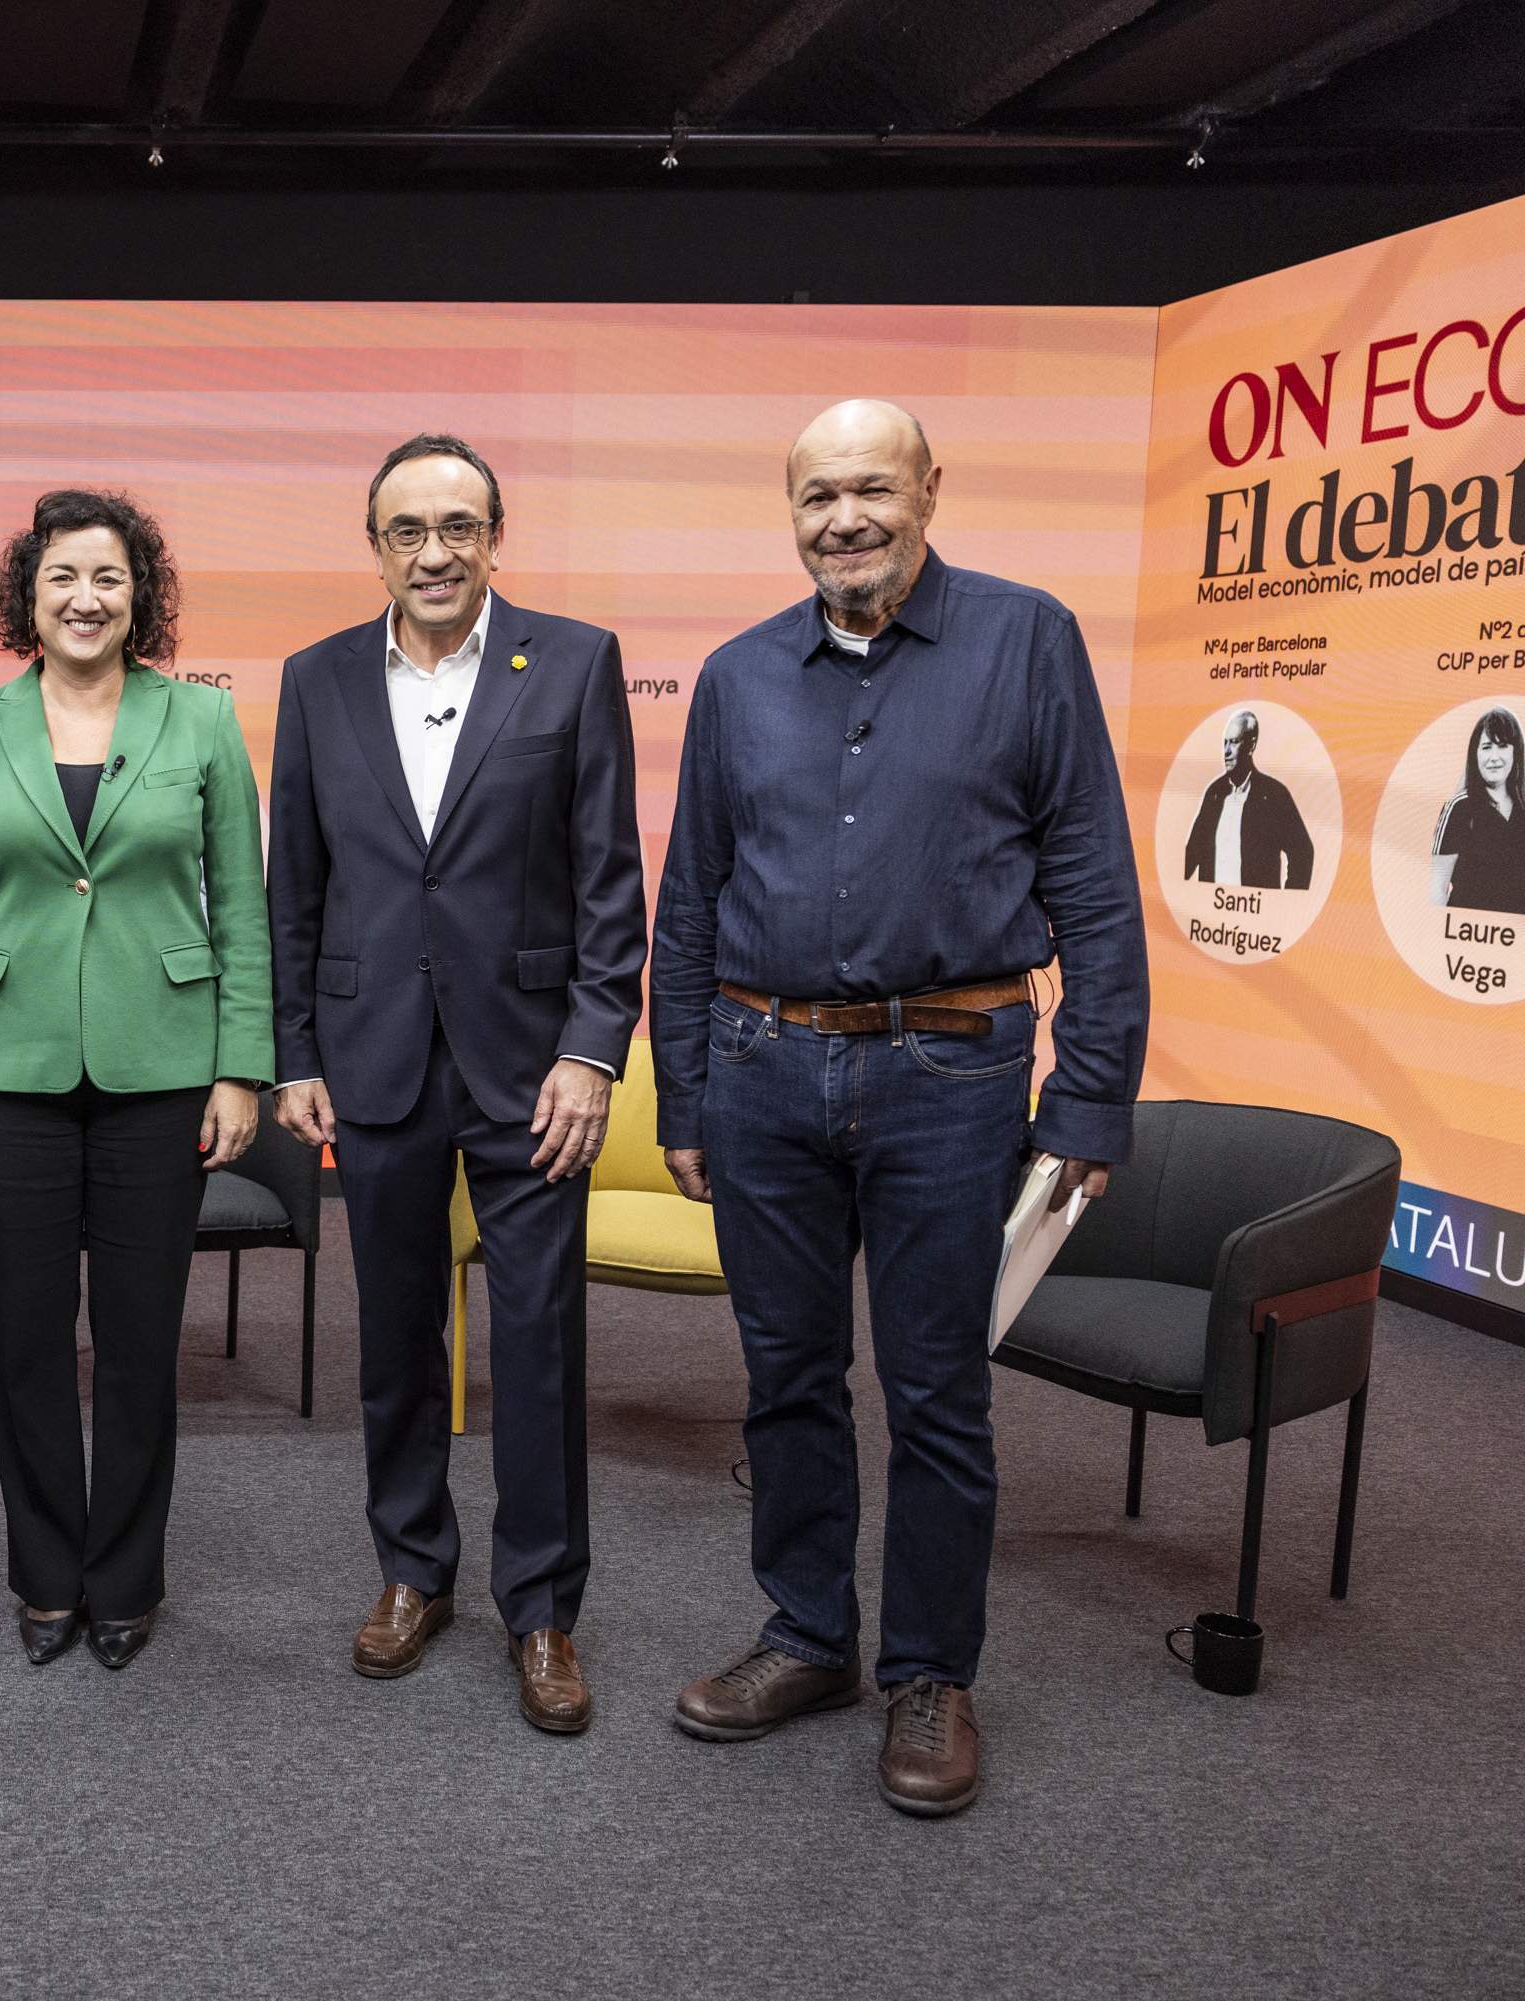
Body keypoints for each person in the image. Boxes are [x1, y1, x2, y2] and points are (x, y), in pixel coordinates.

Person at [650, 401, 1147, 1818]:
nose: (844, 518)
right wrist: (683, 1087)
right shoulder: (741, 676)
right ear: (789, 511)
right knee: (786, 1376)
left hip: (954, 1076)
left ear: (931, 489)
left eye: (871, 487)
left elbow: (1096, 890)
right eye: (817, 496)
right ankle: (808, 1632)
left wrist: (1091, 1102)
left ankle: (929, 1672)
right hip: (759, 1075)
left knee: (938, 1389)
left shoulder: (1026, 638)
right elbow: (690, 903)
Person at [267, 433, 646, 1734]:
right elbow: (295, 890)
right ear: (374, 545)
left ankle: (540, 1609)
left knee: (538, 1349)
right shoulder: (314, 681)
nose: (434, 551)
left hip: (531, 1068)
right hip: (371, 1059)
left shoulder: (576, 662)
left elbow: (610, 881)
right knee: (397, 1341)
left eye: (459, 526)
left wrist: (595, 1049)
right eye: (407, 529)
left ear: (497, 535)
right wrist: (296, 1050)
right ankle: (412, 1571)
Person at [0, 487, 273, 1671]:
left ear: (140, 596)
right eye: (63, 575)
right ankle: (44, 1574)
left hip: (161, 1070)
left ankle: (126, 1575)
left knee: (135, 1341)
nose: (85, 597)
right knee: (23, 1341)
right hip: (2, 1068)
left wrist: (240, 1068)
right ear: (28, 591)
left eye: (109, 577)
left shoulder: (203, 723)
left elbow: (245, 917)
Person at [1183, 709, 1313, 889]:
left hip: (1253, 913)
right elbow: (1191, 854)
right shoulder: (1214, 793)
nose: (1226, 751)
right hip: (1212, 912)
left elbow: (1303, 852)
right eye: (1225, 743)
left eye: (1234, 742)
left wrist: (1286, 905)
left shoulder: (1274, 795)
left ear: (1251, 746)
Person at [1430, 706, 1525, 913]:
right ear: (1475, 753)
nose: (1494, 757)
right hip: (1469, 934)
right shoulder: (1459, 808)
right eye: (1486, 747)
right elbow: (1438, 888)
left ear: (1516, 751)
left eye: (1502, 746)